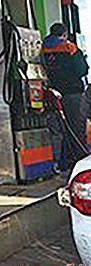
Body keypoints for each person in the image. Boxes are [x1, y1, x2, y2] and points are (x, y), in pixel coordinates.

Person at [42, 22, 89, 170]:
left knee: (60, 130)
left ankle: (63, 162)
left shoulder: (43, 48)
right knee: (77, 128)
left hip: (53, 95)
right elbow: (82, 70)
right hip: (73, 94)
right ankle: (79, 161)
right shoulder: (70, 48)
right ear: (64, 34)